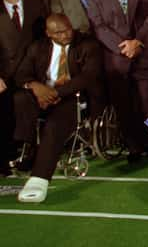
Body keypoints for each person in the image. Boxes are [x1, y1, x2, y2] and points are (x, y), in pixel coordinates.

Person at [14, 14, 102, 203]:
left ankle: (39, 178)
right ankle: (27, 148)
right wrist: (36, 88)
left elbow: (87, 77)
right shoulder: (37, 47)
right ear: (48, 34)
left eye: (68, 29)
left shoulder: (87, 45)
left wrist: (54, 93)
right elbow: (21, 74)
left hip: (72, 97)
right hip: (42, 94)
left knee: (54, 125)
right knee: (20, 99)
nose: (65, 35)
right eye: (59, 33)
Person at [86, 0, 148, 163]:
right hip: (116, 59)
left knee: (147, 101)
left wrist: (137, 42)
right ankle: (133, 147)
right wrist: (123, 48)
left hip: (144, 53)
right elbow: (99, 27)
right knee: (124, 104)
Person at [0, 0, 48, 176]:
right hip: (3, 76)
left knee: (24, 101)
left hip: (30, 73)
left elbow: (45, 42)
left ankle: (28, 151)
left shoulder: (36, 6)